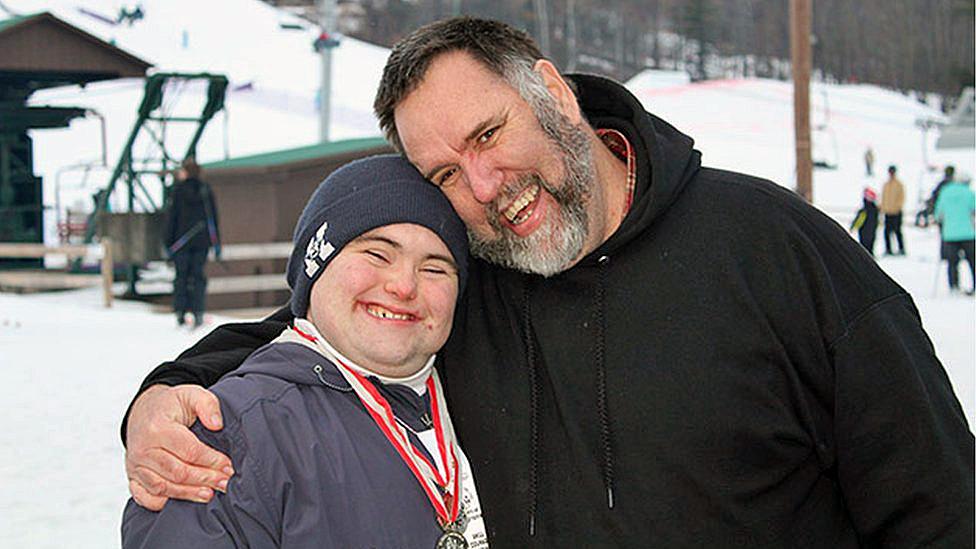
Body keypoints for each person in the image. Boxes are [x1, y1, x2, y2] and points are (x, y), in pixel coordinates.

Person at [122, 17, 974, 547]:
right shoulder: (466, 282)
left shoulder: (777, 252)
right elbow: (314, 327)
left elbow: (940, 507)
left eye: (490, 134)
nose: (485, 186)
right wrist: (162, 396)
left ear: (556, 95)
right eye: (447, 174)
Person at [123, 155, 488, 547]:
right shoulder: (225, 437)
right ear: (316, 266)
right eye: (376, 254)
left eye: (435, 268)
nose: (404, 285)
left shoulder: (483, 393)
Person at [165, 157, 220, 328]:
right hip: (201, 241)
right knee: (198, 277)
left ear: (185, 172)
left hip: (181, 242)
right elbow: (213, 218)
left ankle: (180, 313)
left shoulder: (177, 191)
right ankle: (198, 312)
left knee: (181, 277)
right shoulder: (205, 190)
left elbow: (171, 218)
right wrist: (216, 243)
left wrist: (168, 242)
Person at [933, 173, 976, 295]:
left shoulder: (945, 192)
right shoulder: (968, 192)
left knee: (952, 262)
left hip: (950, 233)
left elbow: (938, 214)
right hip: (968, 233)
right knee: (973, 261)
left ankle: (954, 286)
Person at [880, 164, 905, 255]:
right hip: (887, 212)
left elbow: (901, 197)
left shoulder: (899, 185)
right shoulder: (886, 185)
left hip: (896, 212)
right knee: (887, 232)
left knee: (897, 231)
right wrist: (882, 207)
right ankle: (888, 249)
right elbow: (883, 197)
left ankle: (901, 248)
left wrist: (897, 207)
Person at [850, 187, 879, 256]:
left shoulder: (864, 210)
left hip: (864, 232)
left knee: (864, 246)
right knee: (870, 246)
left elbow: (859, 220)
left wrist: (853, 227)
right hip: (872, 232)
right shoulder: (875, 210)